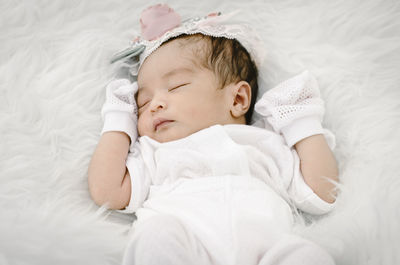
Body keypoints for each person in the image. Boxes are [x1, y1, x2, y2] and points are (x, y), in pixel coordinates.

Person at [88, 4, 339, 265]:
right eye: (143, 102)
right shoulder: (154, 153)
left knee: (307, 255)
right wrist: (119, 118)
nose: (154, 105)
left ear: (238, 99)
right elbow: (107, 191)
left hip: (265, 254)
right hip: (186, 252)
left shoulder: (265, 143)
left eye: (176, 86)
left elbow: (321, 192)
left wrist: (301, 121)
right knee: (155, 235)